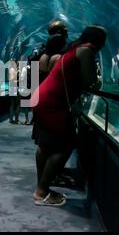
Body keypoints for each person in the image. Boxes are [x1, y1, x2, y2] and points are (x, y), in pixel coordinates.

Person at [31, 25, 107, 206]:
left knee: (45, 145)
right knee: (63, 147)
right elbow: (90, 81)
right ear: (98, 40)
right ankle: (42, 193)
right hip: (54, 102)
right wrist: (99, 81)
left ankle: (42, 187)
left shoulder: (73, 49)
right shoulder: (86, 51)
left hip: (41, 97)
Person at [8, 58, 20, 124]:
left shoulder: (10, 69)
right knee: (18, 104)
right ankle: (16, 119)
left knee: (12, 104)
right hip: (15, 87)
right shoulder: (13, 70)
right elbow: (12, 79)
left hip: (11, 87)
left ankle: (11, 119)